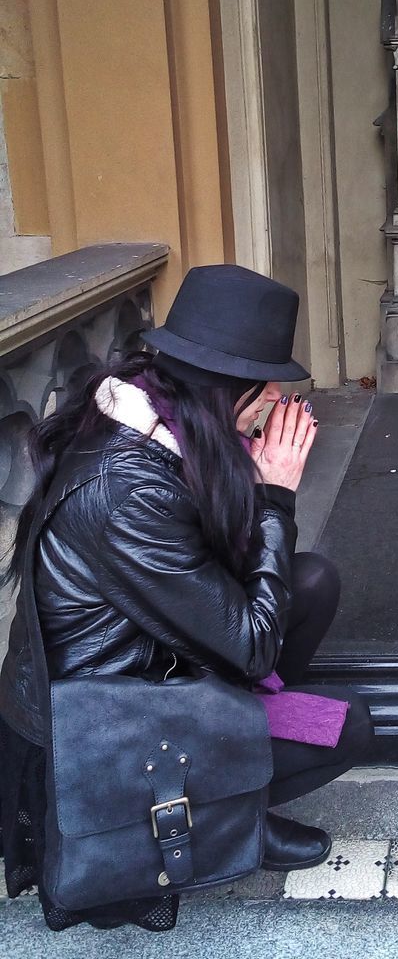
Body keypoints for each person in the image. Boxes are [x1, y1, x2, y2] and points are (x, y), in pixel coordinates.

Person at [0, 265, 372, 932]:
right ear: (230, 389)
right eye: (266, 389)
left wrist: (249, 483)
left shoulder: (164, 424)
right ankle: (227, 815)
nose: (272, 404)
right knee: (344, 725)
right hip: (108, 734)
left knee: (310, 581)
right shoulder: (130, 492)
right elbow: (253, 646)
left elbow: (214, 580)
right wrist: (275, 497)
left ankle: (238, 800)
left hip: (162, 670)